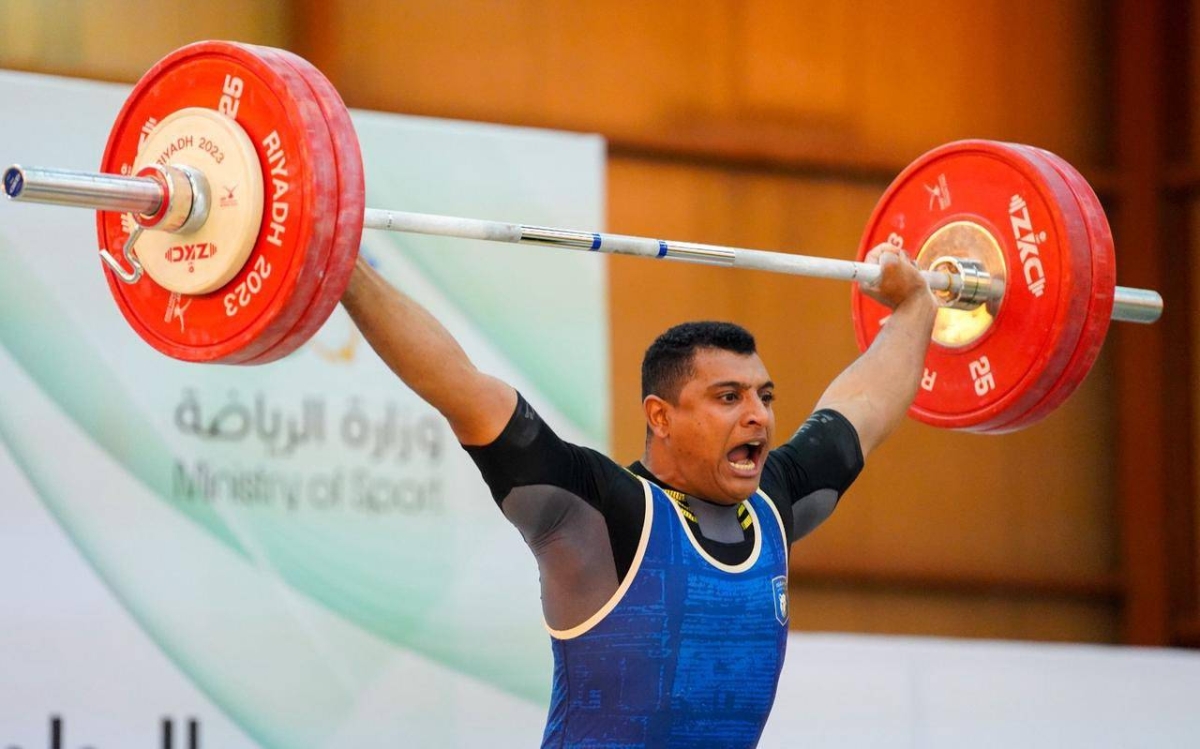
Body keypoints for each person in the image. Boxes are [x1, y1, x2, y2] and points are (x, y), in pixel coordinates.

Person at [340, 244, 937, 748]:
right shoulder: (604, 514)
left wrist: (917, 305)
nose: (758, 415)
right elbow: (465, 392)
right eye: (729, 397)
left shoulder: (770, 508)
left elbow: (863, 405)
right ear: (661, 416)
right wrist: (342, 266)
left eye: (765, 396)